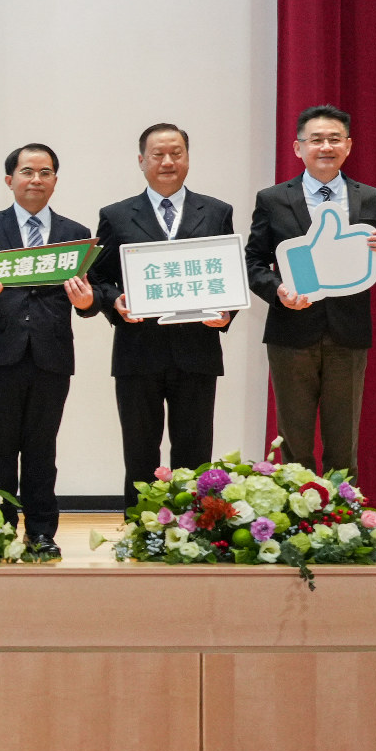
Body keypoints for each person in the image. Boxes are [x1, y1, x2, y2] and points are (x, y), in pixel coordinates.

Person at [0, 143, 99, 557]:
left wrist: (87, 302)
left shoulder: (75, 233)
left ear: (55, 180)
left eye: (45, 172)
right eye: (27, 171)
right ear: (9, 180)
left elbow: (89, 297)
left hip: (51, 355)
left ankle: (41, 532)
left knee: (42, 449)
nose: (35, 179)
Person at [246, 103, 376, 475]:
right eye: (316, 140)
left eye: (334, 139)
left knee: (343, 439)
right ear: (298, 148)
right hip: (290, 330)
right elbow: (253, 262)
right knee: (294, 439)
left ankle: (342, 524)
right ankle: (297, 522)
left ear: (348, 145)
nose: (325, 147)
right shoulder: (273, 199)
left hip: (348, 332)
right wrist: (278, 289)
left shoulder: (372, 198)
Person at [90, 123, 236, 504]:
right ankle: (143, 530)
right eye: (158, 154)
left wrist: (227, 313)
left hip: (197, 351)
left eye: (177, 153)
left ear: (188, 158)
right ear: (142, 161)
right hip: (138, 352)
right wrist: (114, 301)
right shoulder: (116, 215)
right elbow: (99, 278)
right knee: (140, 453)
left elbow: (228, 276)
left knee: (194, 453)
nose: (168, 161)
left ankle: (193, 529)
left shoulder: (218, 211)